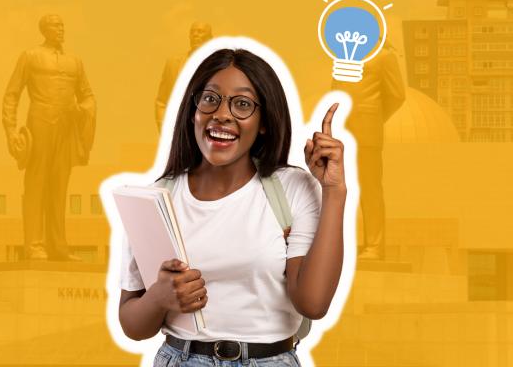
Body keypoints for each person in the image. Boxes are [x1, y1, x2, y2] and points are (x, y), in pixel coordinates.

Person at [119, 49, 346, 366]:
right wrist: (159, 297)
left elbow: (313, 303)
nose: (222, 114)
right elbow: (132, 324)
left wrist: (334, 190)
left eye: (242, 104)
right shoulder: (158, 198)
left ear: (264, 122)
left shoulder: (291, 189)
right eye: (210, 99)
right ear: (193, 112)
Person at [2, 14, 96, 261]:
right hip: (40, 123)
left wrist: (83, 109)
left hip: (66, 127)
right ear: (44, 30)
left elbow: (87, 95)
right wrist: (11, 130)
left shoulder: (74, 62)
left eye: (63, 25)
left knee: (59, 186)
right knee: (36, 183)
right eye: (56, 25)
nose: (61, 29)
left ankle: (58, 246)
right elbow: (12, 95)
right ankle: (34, 244)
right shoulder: (30, 56)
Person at [331, 46, 405, 260]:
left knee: (369, 187)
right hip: (341, 130)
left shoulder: (384, 55)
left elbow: (396, 95)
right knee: (337, 187)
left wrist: (374, 118)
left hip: (367, 129)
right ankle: (341, 243)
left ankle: (374, 245)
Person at [155, 22, 213, 131]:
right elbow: (162, 101)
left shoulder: (221, 66)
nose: (195, 34)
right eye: (193, 32)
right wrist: (165, 128)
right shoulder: (173, 64)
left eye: (200, 32)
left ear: (210, 38)